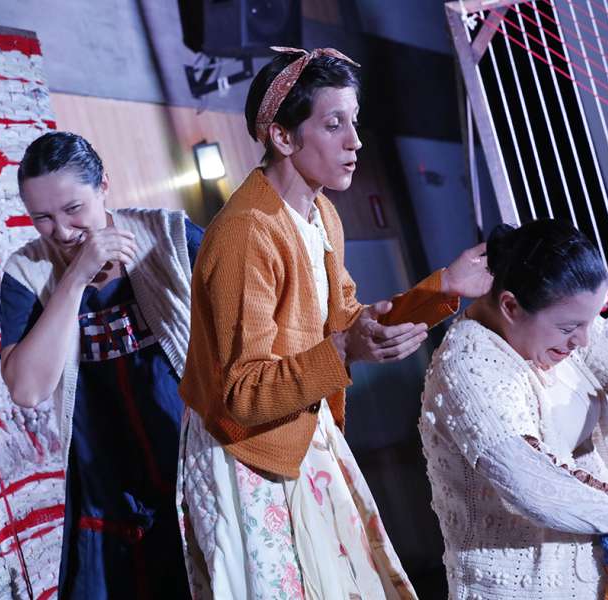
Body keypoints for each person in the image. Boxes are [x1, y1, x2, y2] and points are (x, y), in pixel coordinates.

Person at [176, 47, 492, 599]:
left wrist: (442, 289)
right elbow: (241, 395)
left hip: (299, 433)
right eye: (333, 123)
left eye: (354, 122)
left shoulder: (319, 214)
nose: (356, 141)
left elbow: (345, 319)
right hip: (248, 453)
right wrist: (345, 349)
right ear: (282, 136)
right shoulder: (248, 232)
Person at [419, 218, 608, 599]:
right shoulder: (468, 366)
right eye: (570, 327)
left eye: (590, 321)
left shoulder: (565, 331)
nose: (583, 340)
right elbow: (537, 486)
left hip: (607, 570)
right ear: (511, 306)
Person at [0, 131, 201, 599]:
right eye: (42, 218)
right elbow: (27, 388)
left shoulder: (169, 235)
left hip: (189, 465)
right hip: (106, 489)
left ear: (104, 184)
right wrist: (77, 275)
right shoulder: (26, 270)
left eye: (73, 210)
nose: (62, 232)